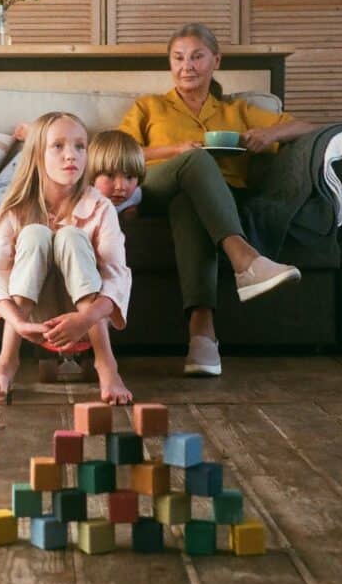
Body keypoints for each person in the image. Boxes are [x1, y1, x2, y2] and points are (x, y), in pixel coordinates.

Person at [118, 22, 316, 377]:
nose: (186, 66)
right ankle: (245, 260)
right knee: (195, 160)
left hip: (216, 200)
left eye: (197, 57)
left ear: (216, 61)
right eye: (178, 58)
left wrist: (267, 133)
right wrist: (175, 150)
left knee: (189, 204)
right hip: (157, 188)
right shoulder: (149, 106)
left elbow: (308, 127)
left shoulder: (236, 110)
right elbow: (119, 153)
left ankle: (202, 337)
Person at [0, 112, 134, 405]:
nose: (70, 156)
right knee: (35, 234)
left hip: (87, 318)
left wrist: (85, 318)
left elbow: (117, 276)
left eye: (79, 146)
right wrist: (18, 322)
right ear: (37, 152)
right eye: (58, 146)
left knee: (71, 236)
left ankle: (106, 364)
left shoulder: (101, 207)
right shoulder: (16, 208)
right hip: (34, 319)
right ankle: (6, 362)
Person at [87, 130, 145, 214]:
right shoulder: (84, 199)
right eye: (110, 175)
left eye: (129, 177)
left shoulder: (135, 194)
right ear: (91, 176)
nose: (120, 187)